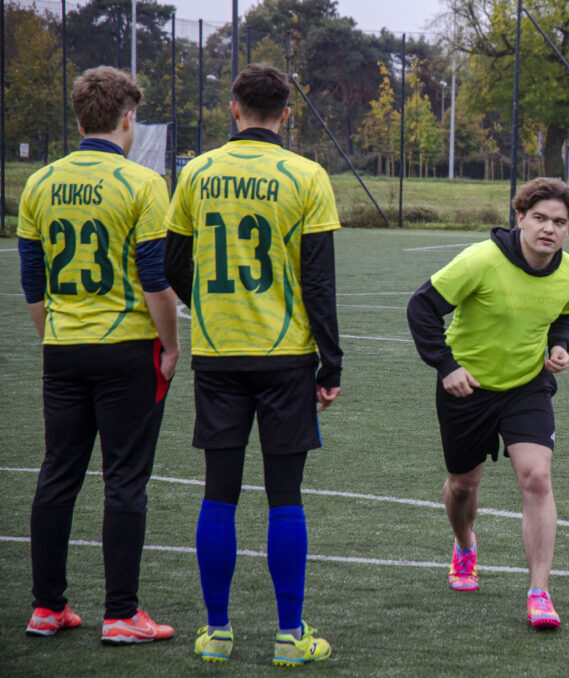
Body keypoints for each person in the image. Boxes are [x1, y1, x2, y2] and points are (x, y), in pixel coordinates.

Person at [163, 63, 342, 666]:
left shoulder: (197, 172)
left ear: (233, 108)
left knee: (219, 493)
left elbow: (171, 262)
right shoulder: (307, 175)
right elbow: (319, 281)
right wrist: (331, 363)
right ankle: (290, 637)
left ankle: (217, 632)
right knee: (285, 495)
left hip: (218, 355)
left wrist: (207, 307)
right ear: (286, 114)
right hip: (285, 357)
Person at [18, 66, 178, 644]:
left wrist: (57, 335)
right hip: (127, 350)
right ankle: (120, 614)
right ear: (127, 118)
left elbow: (32, 282)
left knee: (57, 474)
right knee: (125, 480)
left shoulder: (40, 183)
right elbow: (155, 279)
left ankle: (46, 607)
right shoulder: (143, 183)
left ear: (80, 116)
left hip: (63, 348)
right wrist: (171, 345)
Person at [406, 178, 569, 630]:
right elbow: (421, 307)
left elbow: (565, 315)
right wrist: (446, 366)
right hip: (466, 388)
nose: (549, 228)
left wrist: (560, 345)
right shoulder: (481, 260)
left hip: (527, 386)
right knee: (463, 485)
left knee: (537, 477)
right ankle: (465, 545)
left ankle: (539, 592)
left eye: (560, 222)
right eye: (540, 218)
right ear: (520, 218)